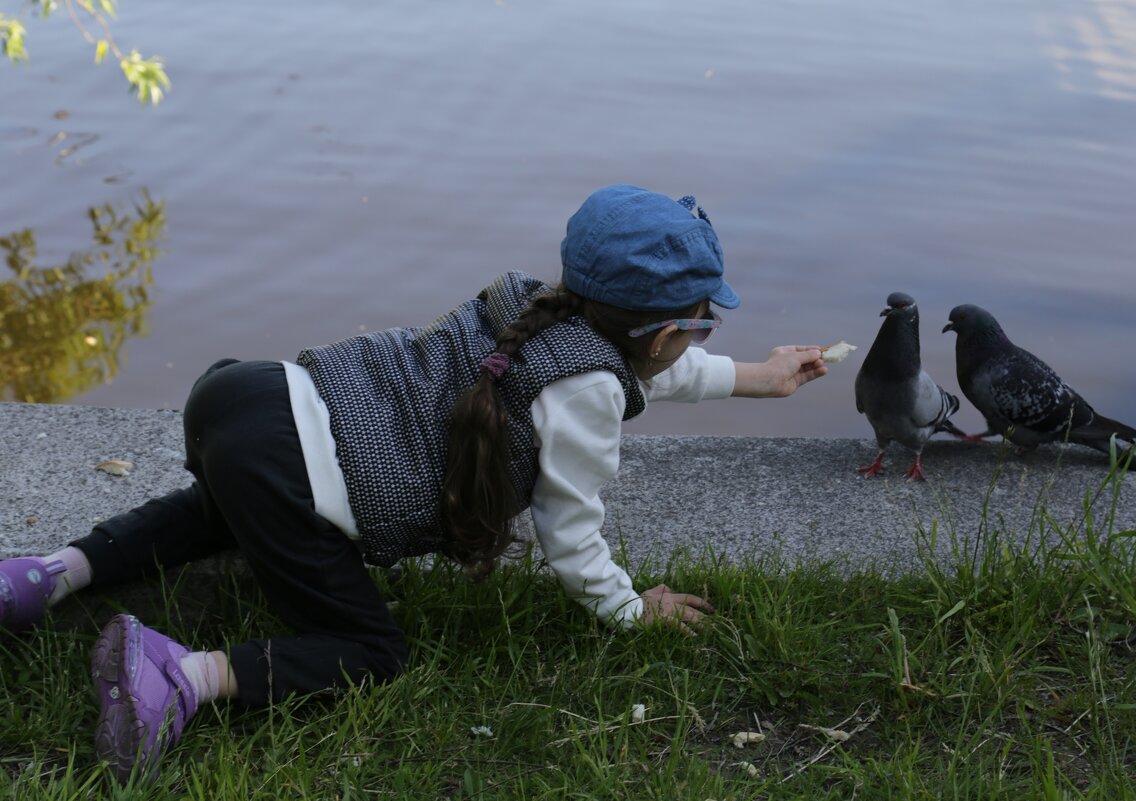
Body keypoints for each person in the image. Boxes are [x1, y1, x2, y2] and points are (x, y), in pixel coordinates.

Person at [0, 184, 828, 781]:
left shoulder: (540, 305)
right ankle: (181, 676)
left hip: (249, 395)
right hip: (292, 474)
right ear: (662, 332)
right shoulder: (590, 387)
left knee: (215, 512)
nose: (702, 337)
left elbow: (634, 371)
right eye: (701, 326)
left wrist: (760, 375)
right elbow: (572, 533)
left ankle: (48, 574)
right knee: (371, 651)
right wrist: (625, 609)